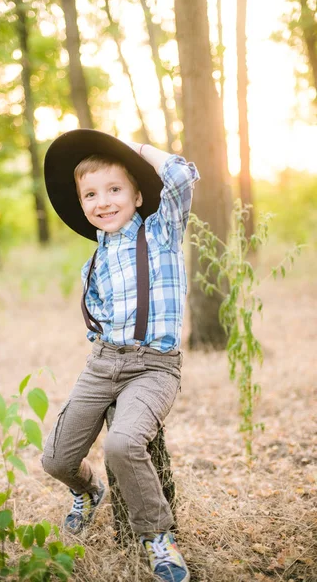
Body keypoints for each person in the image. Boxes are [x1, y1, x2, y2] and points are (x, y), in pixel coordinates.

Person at [42, 129, 199, 582]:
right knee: (55, 460)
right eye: (90, 194)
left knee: (123, 443)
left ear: (135, 193)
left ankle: (157, 537)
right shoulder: (94, 259)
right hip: (104, 363)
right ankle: (89, 492)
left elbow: (182, 175)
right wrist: (105, 359)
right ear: (81, 203)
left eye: (114, 189)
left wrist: (138, 150)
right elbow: (99, 315)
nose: (103, 201)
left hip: (154, 366)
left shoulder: (162, 231)